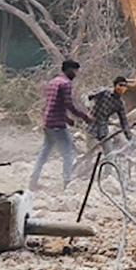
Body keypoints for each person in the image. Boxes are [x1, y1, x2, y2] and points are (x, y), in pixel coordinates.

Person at [30, 60, 92, 190]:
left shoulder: (53, 82)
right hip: (58, 124)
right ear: (68, 69)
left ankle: (33, 180)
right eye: (75, 71)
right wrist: (84, 116)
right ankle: (67, 182)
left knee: (44, 153)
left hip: (48, 122)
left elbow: (53, 104)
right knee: (68, 152)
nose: (75, 74)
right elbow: (69, 105)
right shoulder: (66, 84)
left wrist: (67, 119)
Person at [87, 76, 132, 155]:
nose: (122, 88)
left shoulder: (120, 104)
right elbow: (89, 96)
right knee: (91, 154)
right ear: (115, 85)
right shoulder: (104, 92)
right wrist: (89, 106)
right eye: (120, 85)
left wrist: (129, 137)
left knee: (110, 154)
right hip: (91, 126)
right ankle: (84, 167)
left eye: (124, 86)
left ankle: (108, 167)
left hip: (103, 129)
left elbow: (124, 122)